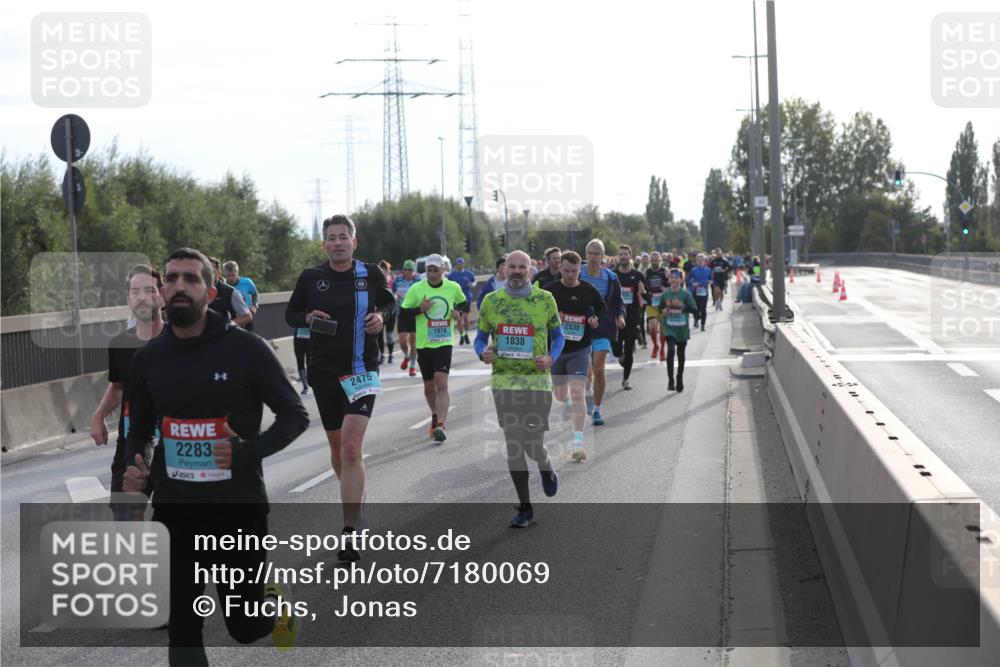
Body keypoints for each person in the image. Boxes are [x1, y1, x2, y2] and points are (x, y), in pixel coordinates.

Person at [122, 248, 309, 665]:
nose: (179, 286)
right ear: (161, 293)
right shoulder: (147, 360)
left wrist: (246, 451)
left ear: (210, 290)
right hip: (175, 511)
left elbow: (295, 416)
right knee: (183, 627)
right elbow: (139, 433)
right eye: (171, 279)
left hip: (237, 511)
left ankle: (272, 605)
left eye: (190, 279)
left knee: (244, 628)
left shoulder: (246, 350)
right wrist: (137, 466)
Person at [284, 214, 395, 561]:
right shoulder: (311, 277)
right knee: (339, 451)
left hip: (363, 368)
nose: (337, 243)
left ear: (354, 242)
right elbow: (290, 314)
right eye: (331, 238)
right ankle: (356, 502)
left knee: (350, 447)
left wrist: (382, 316)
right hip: (324, 372)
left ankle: (349, 531)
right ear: (324, 244)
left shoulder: (370, 274)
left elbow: (390, 302)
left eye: (343, 237)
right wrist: (307, 318)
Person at [475, 250, 564, 527]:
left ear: (531, 269)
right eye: (510, 266)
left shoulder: (545, 299)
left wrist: (551, 358)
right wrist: (482, 352)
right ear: (503, 270)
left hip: (537, 383)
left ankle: (546, 466)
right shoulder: (491, 302)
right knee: (514, 445)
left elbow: (558, 336)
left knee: (533, 445)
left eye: (520, 267)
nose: (515, 271)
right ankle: (525, 507)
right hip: (504, 382)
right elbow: (479, 338)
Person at [90, 265, 165, 519]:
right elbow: (118, 385)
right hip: (131, 440)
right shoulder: (120, 344)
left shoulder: (179, 342)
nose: (142, 297)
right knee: (125, 518)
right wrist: (99, 415)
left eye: (149, 290)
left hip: (173, 445)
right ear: (128, 300)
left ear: (162, 296)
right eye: (135, 291)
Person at [543, 251, 603, 461]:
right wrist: (552, 318)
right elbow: (538, 316)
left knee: (578, 392)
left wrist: (594, 318)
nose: (570, 275)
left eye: (574, 271)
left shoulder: (587, 290)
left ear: (580, 270)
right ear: (560, 269)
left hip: (580, 349)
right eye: (566, 270)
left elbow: (600, 309)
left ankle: (578, 444)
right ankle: (566, 401)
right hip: (556, 351)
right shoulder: (549, 291)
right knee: (560, 395)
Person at [401, 254, 466, 443]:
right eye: (429, 270)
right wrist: (419, 309)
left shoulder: (452, 287)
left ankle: (441, 425)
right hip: (424, 343)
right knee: (429, 386)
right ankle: (435, 416)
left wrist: (458, 312)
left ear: (443, 270)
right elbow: (404, 313)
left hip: (444, 341)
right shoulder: (417, 288)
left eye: (435, 270)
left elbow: (463, 302)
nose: (432, 274)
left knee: (441, 382)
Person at [579, 239, 625, 426]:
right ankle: (587, 393)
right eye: (590, 253)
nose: (592, 256)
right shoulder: (577, 273)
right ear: (585, 255)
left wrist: (620, 316)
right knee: (585, 371)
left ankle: (597, 409)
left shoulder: (611, 277)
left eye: (596, 253)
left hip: (604, 326)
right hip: (580, 328)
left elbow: (619, 301)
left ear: (603, 257)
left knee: (598, 366)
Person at [653, 268, 698, 392]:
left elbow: (694, 309)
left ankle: (679, 378)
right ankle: (670, 380)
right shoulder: (665, 294)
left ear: (681, 280)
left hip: (682, 328)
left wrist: (682, 307)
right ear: (668, 280)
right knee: (671, 351)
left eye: (676, 277)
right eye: (671, 277)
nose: (673, 279)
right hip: (669, 328)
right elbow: (659, 309)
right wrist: (663, 312)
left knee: (681, 354)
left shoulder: (685, 294)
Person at [612, 245, 645, 391]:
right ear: (618, 257)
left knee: (630, 347)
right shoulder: (612, 275)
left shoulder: (637, 275)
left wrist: (644, 292)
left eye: (625, 254)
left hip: (632, 316)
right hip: (616, 317)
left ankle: (626, 379)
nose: (623, 256)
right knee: (616, 349)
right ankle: (620, 356)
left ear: (630, 255)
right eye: (621, 254)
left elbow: (645, 295)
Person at [207, 257, 252, 328]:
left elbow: (247, 317)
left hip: (223, 336)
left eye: (211, 271)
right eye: (204, 271)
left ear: (219, 273)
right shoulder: (196, 291)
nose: (207, 274)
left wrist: (226, 325)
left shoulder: (230, 292)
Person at [395, 260, 419, 377]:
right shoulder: (398, 279)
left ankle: (413, 366)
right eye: (405, 269)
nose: (407, 272)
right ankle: (407, 356)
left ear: (413, 271)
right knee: (402, 340)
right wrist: (395, 296)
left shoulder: (417, 281)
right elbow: (392, 291)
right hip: (402, 313)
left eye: (410, 270)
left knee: (413, 342)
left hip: (414, 313)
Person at [644, 251, 669, 361]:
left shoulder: (665, 271)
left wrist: (667, 290)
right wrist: (646, 294)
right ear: (650, 261)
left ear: (660, 260)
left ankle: (662, 350)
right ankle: (655, 345)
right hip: (651, 303)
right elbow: (641, 287)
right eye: (652, 260)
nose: (654, 262)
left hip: (663, 304)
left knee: (663, 330)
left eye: (656, 260)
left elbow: (672, 284)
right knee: (652, 327)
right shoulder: (646, 272)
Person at [447, 256, 476, 345]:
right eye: (458, 264)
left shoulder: (468, 274)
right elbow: (447, 284)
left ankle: (466, 333)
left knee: (465, 317)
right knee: (459, 319)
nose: (459, 265)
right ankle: (462, 335)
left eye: (461, 264)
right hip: (456, 300)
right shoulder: (452, 275)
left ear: (463, 264)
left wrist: (472, 285)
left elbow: (474, 281)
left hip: (467, 298)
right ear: (456, 265)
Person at [223, 260, 259, 331]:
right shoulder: (223, 285)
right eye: (228, 276)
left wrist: (255, 305)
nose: (230, 278)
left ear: (237, 273)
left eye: (233, 275)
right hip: (232, 318)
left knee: (248, 340)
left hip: (246, 316)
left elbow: (255, 293)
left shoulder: (247, 282)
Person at [378, 260, 397, 364]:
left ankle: (391, 355)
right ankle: (382, 355)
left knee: (389, 335)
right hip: (380, 311)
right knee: (379, 335)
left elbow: (396, 295)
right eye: (380, 269)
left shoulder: (392, 282)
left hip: (391, 312)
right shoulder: (376, 282)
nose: (382, 272)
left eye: (384, 270)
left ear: (387, 271)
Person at [687, 253, 712, 332]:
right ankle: (696, 320)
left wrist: (710, 281)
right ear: (696, 261)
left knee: (703, 309)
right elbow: (688, 280)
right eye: (698, 260)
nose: (700, 261)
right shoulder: (693, 270)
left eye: (702, 260)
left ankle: (703, 325)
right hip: (696, 291)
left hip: (704, 291)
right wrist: (693, 283)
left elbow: (711, 279)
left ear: (704, 261)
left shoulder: (708, 270)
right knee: (696, 308)